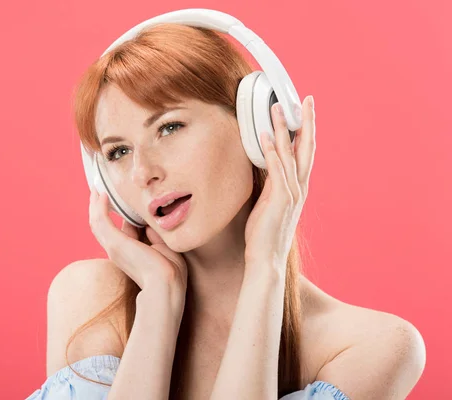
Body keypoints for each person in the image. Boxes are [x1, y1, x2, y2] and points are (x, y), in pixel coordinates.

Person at [27, 15, 425, 400]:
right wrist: (158, 303)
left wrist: (266, 265)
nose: (141, 173)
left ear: (256, 127)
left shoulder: (372, 347)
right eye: (118, 151)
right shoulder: (89, 298)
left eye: (169, 127)